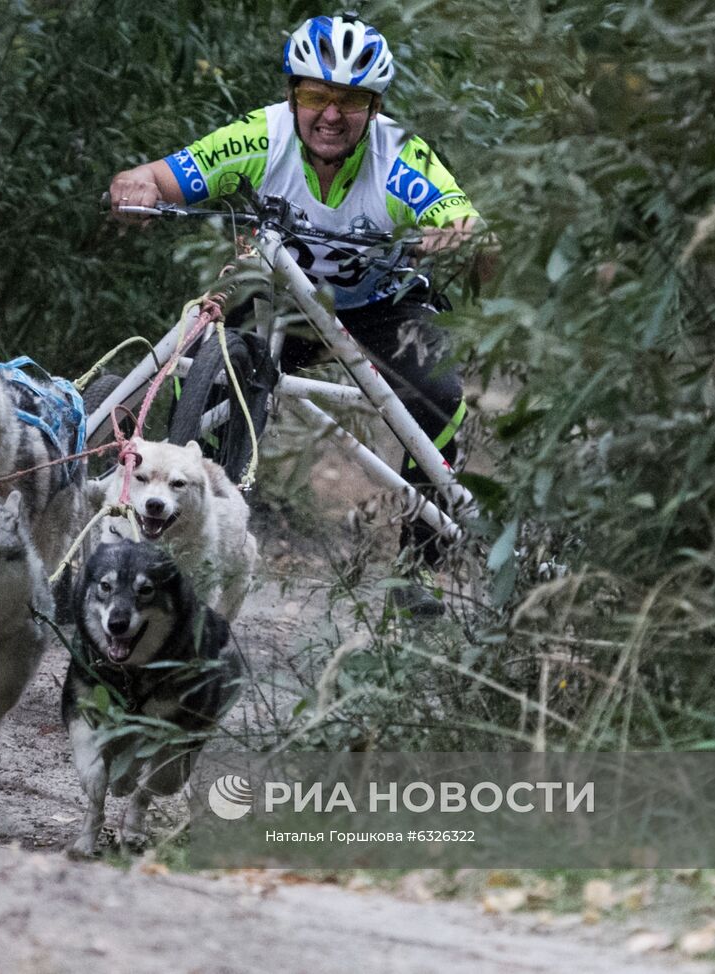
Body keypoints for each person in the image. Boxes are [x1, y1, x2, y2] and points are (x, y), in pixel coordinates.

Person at [108, 14, 490, 617]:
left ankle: (421, 569)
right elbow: (157, 177)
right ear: (293, 95)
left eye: (351, 100)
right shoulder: (262, 136)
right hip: (283, 303)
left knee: (439, 398)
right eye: (315, 95)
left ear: (374, 105)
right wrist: (136, 187)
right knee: (190, 382)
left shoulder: (401, 155)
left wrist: (456, 234)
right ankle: (156, 546)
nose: (331, 115)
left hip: (383, 306)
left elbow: (463, 219)